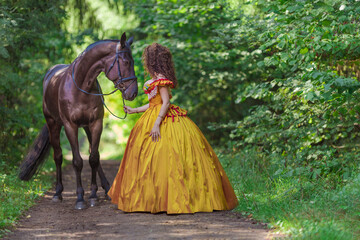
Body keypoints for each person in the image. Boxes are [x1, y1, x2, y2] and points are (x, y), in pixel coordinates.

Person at [108, 43, 238, 214]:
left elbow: (166, 103)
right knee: (150, 159)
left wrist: (157, 123)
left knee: (166, 156)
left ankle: (171, 199)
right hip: (153, 116)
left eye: (146, 58)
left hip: (164, 119)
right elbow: (152, 105)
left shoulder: (161, 79)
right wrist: (134, 110)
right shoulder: (154, 80)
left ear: (152, 60)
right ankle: (153, 199)